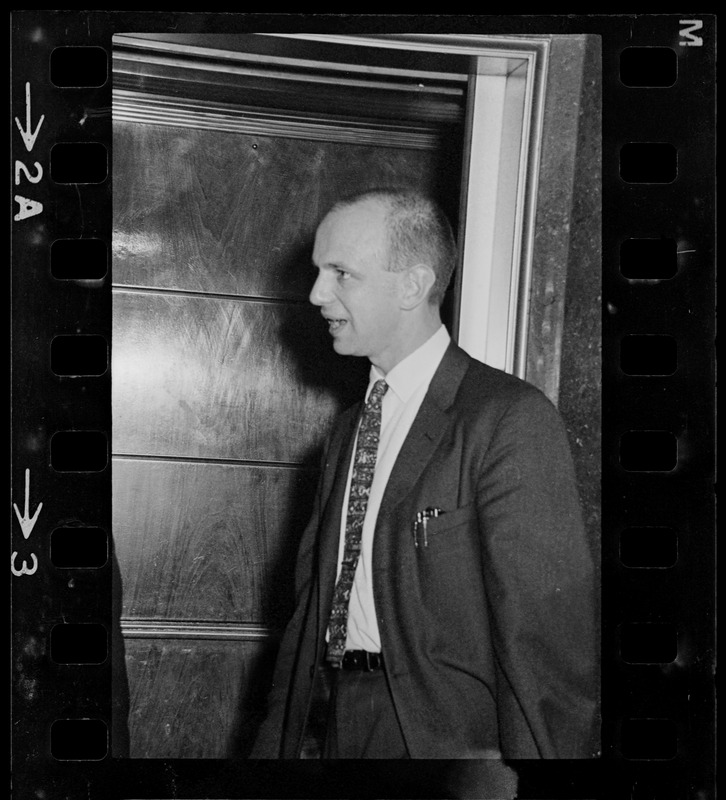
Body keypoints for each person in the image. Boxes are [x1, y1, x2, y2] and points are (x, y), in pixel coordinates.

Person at [251, 188, 599, 761]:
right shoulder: (347, 432)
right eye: (318, 272)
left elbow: (545, 647)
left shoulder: (508, 419)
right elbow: (311, 607)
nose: (316, 294)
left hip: (438, 741)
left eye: (341, 273)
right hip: (331, 722)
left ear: (412, 284)